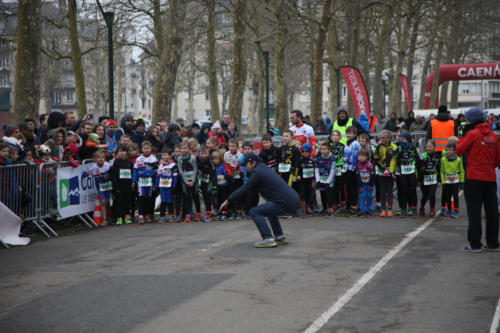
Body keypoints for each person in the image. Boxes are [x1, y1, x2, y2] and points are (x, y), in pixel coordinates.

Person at [219, 153, 300, 248]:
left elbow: (244, 188)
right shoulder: (263, 168)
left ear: (253, 163)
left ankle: (267, 238)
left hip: (286, 202)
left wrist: (228, 200)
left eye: (246, 165)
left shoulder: (258, 173)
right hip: (293, 200)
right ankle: (279, 236)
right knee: (269, 209)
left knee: (254, 211)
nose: (245, 168)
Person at [457, 107, 500, 252]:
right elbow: (497, 159)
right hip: (489, 177)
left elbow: (459, 150)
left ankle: (475, 244)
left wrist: (463, 135)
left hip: (474, 177)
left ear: (472, 120)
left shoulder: (472, 134)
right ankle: (493, 242)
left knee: (474, 212)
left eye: (467, 119)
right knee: (492, 212)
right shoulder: (493, 136)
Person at [373, 130, 398, 217]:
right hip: (381, 172)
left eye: (384, 138)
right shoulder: (378, 147)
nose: (382, 140)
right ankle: (383, 209)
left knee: (390, 191)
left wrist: (390, 172)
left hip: (390, 173)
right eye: (381, 138)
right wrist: (383, 169)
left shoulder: (394, 147)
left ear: (389, 138)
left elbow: (394, 160)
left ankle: (390, 208)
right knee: (382, 191)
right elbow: (376, 159)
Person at [132, 140, 158, 223]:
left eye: (148, 148)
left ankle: (149, 215)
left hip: (150, 182)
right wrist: (134, 181)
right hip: (141, 182)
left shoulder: (154, 159)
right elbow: (135, 170)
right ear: (142, 149)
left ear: (150, 149)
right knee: (141, 198)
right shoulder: (139, 159)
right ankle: (141, 215)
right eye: (145, 148)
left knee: (150, 198)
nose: (146, 150)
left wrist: (156, 183)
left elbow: (157, 171)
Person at [396, 132, 418, 217]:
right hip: (402, 174)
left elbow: (419, 160)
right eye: (400, 139)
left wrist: (418, 174)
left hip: (412, 173)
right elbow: (394, 159)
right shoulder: (398, 148)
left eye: (403, 140)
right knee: (403, 191)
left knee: (412, 191)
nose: (401, 141)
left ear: (408, 140)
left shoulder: (413, 148)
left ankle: (413, 209)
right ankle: (404, 209)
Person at [110, 144, 134, 225]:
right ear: (117, 153)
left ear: (126, 152)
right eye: (120, 151)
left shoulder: (129, 162)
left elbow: (132, 173)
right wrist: (115, 187)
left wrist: (132, 183)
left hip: (128, 185)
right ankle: (119, 217)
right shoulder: (116, 163)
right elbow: (114, 176)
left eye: (123, 151)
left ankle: (127, 216)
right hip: (119, 186)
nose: (122, 153)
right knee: (119, 202)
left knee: (127, 201)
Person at [440, 142, 464, 218]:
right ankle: (449, 210)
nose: (448, 152)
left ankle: (456, 210)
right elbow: (442, 171)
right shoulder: (443, 159)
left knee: (455, 195)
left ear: (454, 151)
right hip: (447, 180)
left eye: (450, 150)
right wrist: (443, 182)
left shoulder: (458, 160)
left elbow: (461, 171)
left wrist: (462, 181)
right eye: (447, 150)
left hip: (455, 180)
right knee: (448, 195)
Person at [177, 141, 200, 222]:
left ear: (189, 149)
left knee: (195, 196)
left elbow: (195, 169)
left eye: (185, 148)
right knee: (187, 197)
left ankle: (198, 213)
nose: (183, 150)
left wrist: (193, 181)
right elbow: (180, 171)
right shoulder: (179, 159)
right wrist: (186, 181)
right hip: (185, 181)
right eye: (182, 148)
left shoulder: (192, 158)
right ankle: (188, 214)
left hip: (193, 180)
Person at [418, 139, 441, 218]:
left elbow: (439, 169)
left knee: (432, 194)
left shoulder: (437, 157)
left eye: (430, 147)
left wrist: (439, 180)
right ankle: (422, 207)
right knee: (425, 195)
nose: (428, 148)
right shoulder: (423, 156)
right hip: (424, 180)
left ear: (434, 147)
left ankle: (432, 209)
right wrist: (419, 180)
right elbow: (419, 169)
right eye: (427, 146)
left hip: (433, 179)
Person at [90, 150, 112, 226]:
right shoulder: (94, 167)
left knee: (107, 202)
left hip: (108, 185)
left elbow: (110, 174)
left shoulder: (107, 165)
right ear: (95, 159)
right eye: (98, 158)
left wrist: (107, 176)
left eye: (102, 157)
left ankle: (109, 216)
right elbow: (90, 174)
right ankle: (104, 219)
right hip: (100, 186)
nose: (101, 159)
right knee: (102, 202)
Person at [156, 147, 178, 223]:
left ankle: (171, 216)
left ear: (170, 156)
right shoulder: (160, 164)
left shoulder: (173, 165)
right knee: (163, 201)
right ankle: (162, 217)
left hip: (169, 186)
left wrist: (174, 186)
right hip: (162, 186)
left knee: (170, 201)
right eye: (162, 155)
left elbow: (175, 177)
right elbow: (158, 176)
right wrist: (157, 185)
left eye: (165, 155)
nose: (163, 157)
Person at [342, 126, 361, 215]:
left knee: (353, 188)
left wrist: (351, 167)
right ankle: (348, 206)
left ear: (355, 134)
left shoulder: (355, 144)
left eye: (350, 133)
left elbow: (355, 157)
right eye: (347, 133)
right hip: (347, 168)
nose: (348, 135)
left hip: (353, 169)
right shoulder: (347, 143)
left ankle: (353, 205)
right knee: (348, 188)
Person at [315, 141, 335, 216]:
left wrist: (328, 181)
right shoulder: (318, 159)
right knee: (322, 194)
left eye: (325, 149)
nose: (323, 151)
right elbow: (316, 170)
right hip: (321, 180)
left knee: (329, 195)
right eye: (322, 149)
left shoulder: (332, 160)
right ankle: (324, 208)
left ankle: (330, 209)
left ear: (329, 150)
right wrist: (318, 180)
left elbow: (332, 171)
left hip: (329, 181)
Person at [224, 139, 244, 219]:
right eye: (230, 146)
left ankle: (239, 211)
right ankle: (233, 211)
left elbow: (241, 166)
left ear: (237, 147)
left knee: (238, 193)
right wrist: (230, 173)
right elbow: (226, 165)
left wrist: (239, 172)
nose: (231, 148)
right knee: (231, 194)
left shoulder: (240, 155)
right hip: (231, 176)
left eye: (233, 146)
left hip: (238, 176)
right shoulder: (226, 154)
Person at [197, 145, 217, 222]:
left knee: (211, 196)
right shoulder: (197, 160)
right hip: (202, 181)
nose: (204, 155)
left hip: (210, 180)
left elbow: (213, 174)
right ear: (199, 153)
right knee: (205, 197)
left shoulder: (210, 161)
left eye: (206, 153)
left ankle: (214, 211)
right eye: (202, 153)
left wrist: (215, 186)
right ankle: (208, 212)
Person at [329, 130, 345, 213]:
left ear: (340, 137)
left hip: (339, 167)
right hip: (331, 167)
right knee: (333, 186)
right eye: (333, 135)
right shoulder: (329, 145)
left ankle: (342, 203)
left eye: (337, 135)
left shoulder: (342, 145)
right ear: (331, 137)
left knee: (340, 185)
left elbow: (339, 155)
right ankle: (334, 203)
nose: (335, 137)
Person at [356, 149, 375, 217]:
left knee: (369, 196)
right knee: (362, 196)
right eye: (359, 156)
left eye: (362, 156)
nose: (360, 158)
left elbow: (373, 175)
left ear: (367, 157)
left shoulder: (369, 165)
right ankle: (362, 210)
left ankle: (368, 210)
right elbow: (357, 175)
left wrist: (370, 184)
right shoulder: (358, 164)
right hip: (362, 184)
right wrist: (359, 184)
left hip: (369, 183)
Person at [298, 143, 315, 215]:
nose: (304, 153)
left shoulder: (312, 161)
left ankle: (307, 208)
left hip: (309, 181)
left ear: (309, 152)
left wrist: (314, 181)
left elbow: (314, 172)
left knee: (309, 195)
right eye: (303, 151)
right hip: (302, 181)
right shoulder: (300, 161)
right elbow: (297, 169)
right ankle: (303, 210)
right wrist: (298, 175)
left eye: (306, 151)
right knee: (302, 195)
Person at [212, 151, 230, 220]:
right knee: (218, 199)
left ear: (220, 158)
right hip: (218, 185)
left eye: (216, 159)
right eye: (213, 159)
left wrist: (226, 174)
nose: (215, 160)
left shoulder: (223, 165)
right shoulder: (213, 166)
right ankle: (219, 212)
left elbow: (226, 173)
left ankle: (225, 212)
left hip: (224, 185)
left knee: (224, 199)